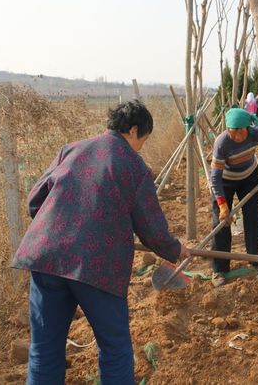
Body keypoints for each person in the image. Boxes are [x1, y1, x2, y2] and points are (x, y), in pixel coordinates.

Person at [12, 100, 188, 385]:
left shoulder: (71, 149)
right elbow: (151, 228)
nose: (142, 145)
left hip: (47, 257)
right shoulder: (134, 165)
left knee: (44, 349)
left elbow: (35, 202)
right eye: (144, 138)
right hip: (96, 267)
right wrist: (174, 249)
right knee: (115, 348)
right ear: (133, 131)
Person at [209, 107, 258, 287]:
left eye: (241, 133)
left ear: (247, 128)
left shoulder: (256, 134)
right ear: (227, 129)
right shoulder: (222, 143)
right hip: (225, 181)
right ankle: (220, 269)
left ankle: (256, 260)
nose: (237, 137)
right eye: (233, 133)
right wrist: (223, 205)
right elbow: (215, 177)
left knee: (253, 217)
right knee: (221, 222)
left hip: (249, 177)